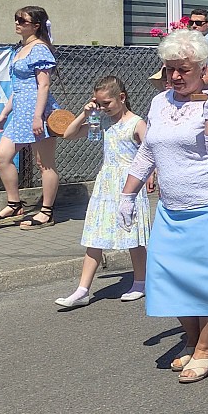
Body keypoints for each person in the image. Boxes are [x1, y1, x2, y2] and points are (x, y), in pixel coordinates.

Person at [119, 29, 208, 384]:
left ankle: (206, 347)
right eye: (169, 68)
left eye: (183, 70)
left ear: (205, 69)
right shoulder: (161, 102)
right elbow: (149, 150)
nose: (174, 76)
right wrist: (128, 193)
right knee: (171, 277)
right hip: (173, 207)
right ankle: (190, 339)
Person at [55, 76, 150, 308]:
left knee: (133, 235)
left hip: (130, 182)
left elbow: (151, 150)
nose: (103, 108)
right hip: (106, 182)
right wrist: (85, 114)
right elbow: (68, 134)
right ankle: (82, 290)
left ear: (122, 98)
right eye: (99, 103)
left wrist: (151, 177)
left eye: (106, 103)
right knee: (94, 235)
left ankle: (141, 281)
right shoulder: (101, 122)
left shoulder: (136, 123)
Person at [0, 6, 61, 230]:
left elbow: (43, 85)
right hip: (20, 113)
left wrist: (38, 116)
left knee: (44, 164)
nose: (17, 23)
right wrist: (4, 113)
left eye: (22, 20)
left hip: (38, 112)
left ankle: (46, 211)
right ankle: (14, 204)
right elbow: (19, 88)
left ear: (36, 26)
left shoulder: (40, 50)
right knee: (2, 156)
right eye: (16, 19)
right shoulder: (20, 50)